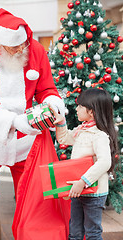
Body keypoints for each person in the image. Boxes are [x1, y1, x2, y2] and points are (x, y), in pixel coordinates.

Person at [0, 8, 70, 240]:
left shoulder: (36, 50)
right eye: (14, 47)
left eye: (23, 45)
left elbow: (47, 89)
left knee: (37, 200)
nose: (21, 50)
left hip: (26, 141)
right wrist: (12, 122)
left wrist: (52, 105)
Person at [50, 88, 118, 240]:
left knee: (92, 232)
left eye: (80, 106)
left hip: (93, 192)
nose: (76, 109)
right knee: (75, 231)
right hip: (78, 190)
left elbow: (104, 162)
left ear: (92, 112)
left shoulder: (99, 135)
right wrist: (61, 122)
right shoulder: (82, 130)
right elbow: (64, 139)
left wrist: (83, 181)